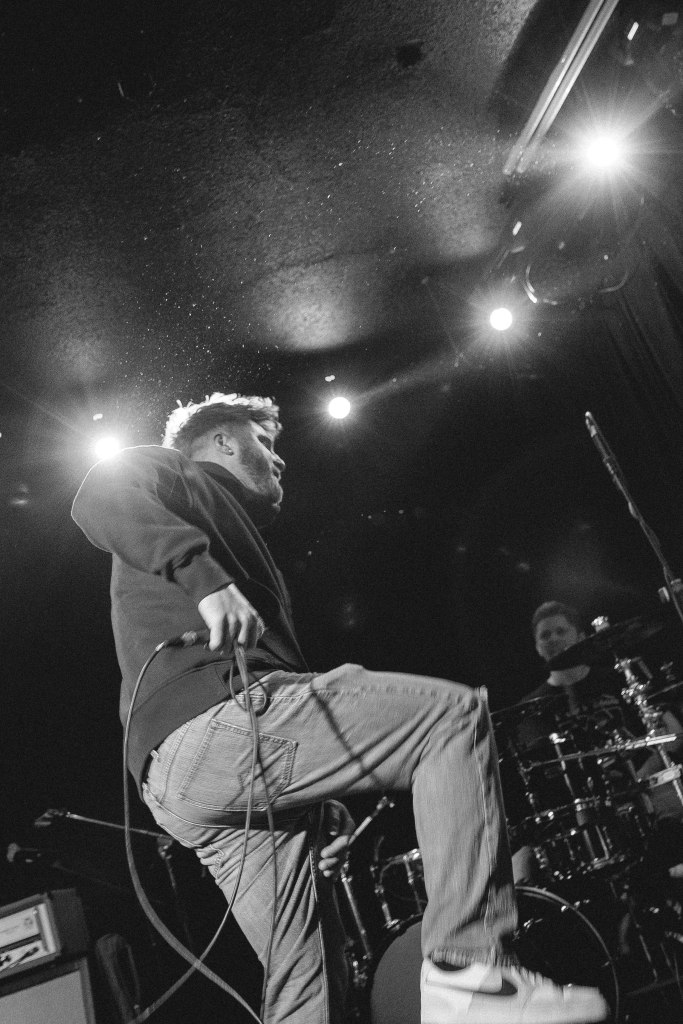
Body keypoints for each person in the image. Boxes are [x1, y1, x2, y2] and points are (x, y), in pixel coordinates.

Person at [71, 393, 608, 1024]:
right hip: (213, 723)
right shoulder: (176, 474)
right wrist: (205, 579)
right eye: (263, 442)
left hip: (183, 777)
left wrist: (315, 799)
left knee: (307, 984)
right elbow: (101, 492)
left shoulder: (230, 536)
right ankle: (470, 971)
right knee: (449, 718)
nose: (278, 460)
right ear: (221, 441)